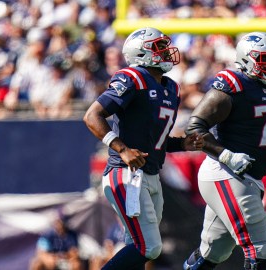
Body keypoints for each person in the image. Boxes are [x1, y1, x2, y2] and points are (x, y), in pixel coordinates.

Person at [83, 27, 203, 270]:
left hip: (150, 175)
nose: (167, 51)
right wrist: (122, 148)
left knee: (138, 247)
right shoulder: (132, 78)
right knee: (148, 247)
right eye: (159, 47)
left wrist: (182, 144)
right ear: (141, 53)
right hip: (126, 174)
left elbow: (155, 140)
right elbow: (92, 115)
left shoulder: (171, 87)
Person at [183, 32, 266, 270]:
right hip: (227, 173)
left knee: (213, 251)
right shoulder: (233, 85)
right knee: (259, 250)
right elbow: (194, 128)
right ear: (247, 59)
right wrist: (226, 155)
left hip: (246, 177)